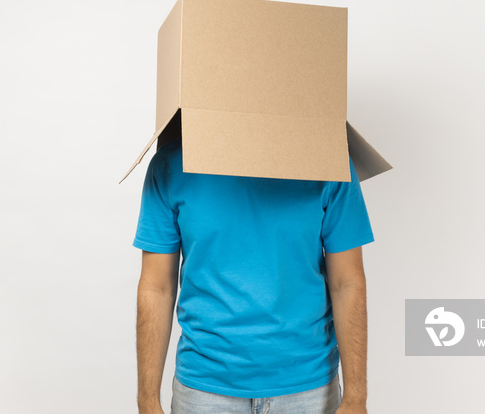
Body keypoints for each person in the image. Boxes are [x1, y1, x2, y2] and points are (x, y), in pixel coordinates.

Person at [135, 138, 374, 414]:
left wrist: (356, 398)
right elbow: (157, 287)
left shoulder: (329, 160)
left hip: (308, 389)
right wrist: (147, 401)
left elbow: (348, 282)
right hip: (205, 390)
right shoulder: (171, 164)